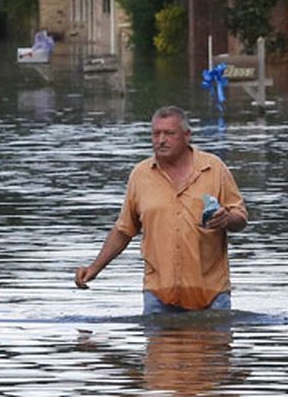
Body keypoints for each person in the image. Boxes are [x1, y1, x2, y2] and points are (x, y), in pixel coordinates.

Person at [74, 105, 247, 315]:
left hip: (211, 293)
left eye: (169, 133)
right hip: (159, 294)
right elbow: (123, 230)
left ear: (187, 136)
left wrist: (227, 219)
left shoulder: (214, 169)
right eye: (156, 134)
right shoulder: (140, 175)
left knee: (214, 336)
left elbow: (240, 217)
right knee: (158, 337)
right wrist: (94, 268)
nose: (161, 140)